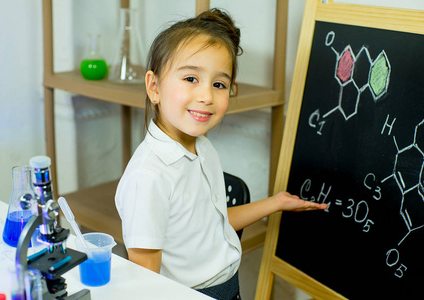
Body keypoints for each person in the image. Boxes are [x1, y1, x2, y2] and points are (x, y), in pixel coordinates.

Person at [115, 8, 327, 300]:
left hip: (228, 288)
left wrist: (276, 202)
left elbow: (211, 224)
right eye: (191, 78)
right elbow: (146, 285)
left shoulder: (202, 148)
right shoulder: (148, 177)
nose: (206, 96)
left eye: (219, 84)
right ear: (154, 87)